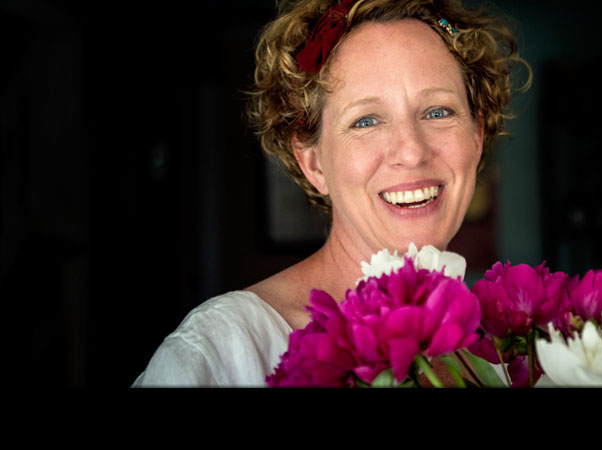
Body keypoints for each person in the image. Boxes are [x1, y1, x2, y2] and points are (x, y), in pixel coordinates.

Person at [132, 0, 529, 387]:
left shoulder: (516, 346)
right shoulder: (226, 350)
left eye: (438, 111)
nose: (411, 151)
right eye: (366, 120)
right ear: (313, 163)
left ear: (477, 138)